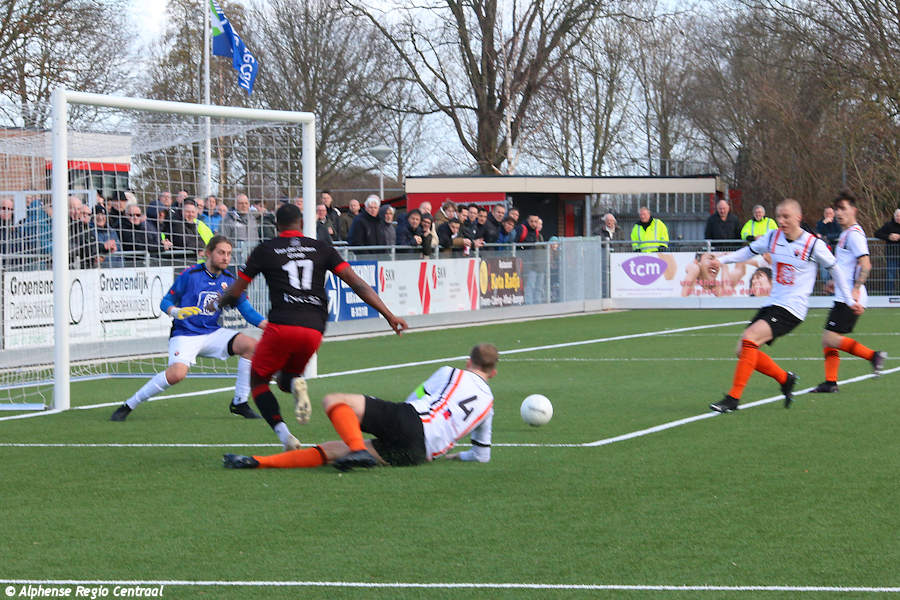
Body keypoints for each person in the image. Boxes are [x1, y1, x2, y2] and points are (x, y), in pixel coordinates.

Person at [218, 203, 408, 450]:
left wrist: (219, 303)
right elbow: (358, 284)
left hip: (282, 324)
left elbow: (236, 291)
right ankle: (296, 384)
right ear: (302, 223)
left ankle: (285, 436)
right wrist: (389, 315)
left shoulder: (265, 250)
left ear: (276, 226)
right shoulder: (321, 248)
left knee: (258, 380)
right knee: (286, 380)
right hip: (314, 329)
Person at [223, 343, 497, 471]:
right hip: (418, 453)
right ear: (493, 373)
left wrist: (392, 415)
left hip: (412, 420)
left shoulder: (453, 372)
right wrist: (456, 456)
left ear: (468, 361)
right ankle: (256, 462)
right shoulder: (488, 406)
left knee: (335, 401)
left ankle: (357, 449)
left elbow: (418, 395)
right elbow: (481, 455)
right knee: (333, 450)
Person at [709, 198, 859, 413]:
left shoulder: (812, 244)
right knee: (742, 350)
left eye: (786, 216)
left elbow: (835, 269)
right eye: (779, 216)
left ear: (798, 217)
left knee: (750, 338)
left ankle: (733, 398)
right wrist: (721, 261)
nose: (781, 220)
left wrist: (850, 300)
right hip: (773, 303)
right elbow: (749, 251)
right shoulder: (773, 236)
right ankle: (784, 379)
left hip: (792, 308)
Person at [110, 235, 267, 422]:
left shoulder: (231, 281)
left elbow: (248, 312)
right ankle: (129, 405)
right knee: (177, 374)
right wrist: (176, 312)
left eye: (228, 254)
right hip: (185, 334)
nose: (226, 257)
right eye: (221, 253)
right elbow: (165, 302)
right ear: (208, 253)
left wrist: (271, 327)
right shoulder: (190, 275)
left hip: (212, 332)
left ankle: (240, 402)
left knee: (251, 345)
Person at [810, 192, 886, 393]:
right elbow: (846, 266)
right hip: (842, 294)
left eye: (843, 208)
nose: (838, 213)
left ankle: (873, 356)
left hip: (849, 297)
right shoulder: (846, 234)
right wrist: (834, 282)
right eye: (836, 209)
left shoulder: (854, 235)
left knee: (829, 338)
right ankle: (830, 382)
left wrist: (855, 289)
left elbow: (866, 264)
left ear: (854, 210)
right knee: (828, 338)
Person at [874, 208, 900, 295]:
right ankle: (888, 296)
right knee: (890, 276)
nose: (898, 218)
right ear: (894, 216)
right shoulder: (888, 225)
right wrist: (889, 237)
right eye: (897, 216)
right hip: (891, 255)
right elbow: (877, 233)